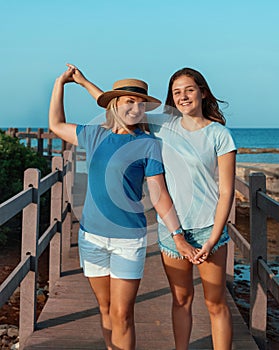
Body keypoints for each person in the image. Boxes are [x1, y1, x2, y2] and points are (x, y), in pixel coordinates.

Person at [66, 64, 236, 349]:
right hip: (173, 231)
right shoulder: (164, 125)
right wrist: (84, 82)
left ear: (202, 92)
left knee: (215, 303)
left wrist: (215, 237)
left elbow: (227, 190)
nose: (183, 97)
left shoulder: (219, 134)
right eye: (177, 92)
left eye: (189, 90)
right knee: (181, 300)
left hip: (209, 228)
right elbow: (119, 104)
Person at [48, 65, 195, 350]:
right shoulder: (94, 136)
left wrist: (178, 236)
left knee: (122, 314)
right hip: (91, 238)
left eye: (141, 103)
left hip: (129, 239)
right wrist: (62, 83)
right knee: (105, 311)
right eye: (129, 101)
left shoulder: (149, 144)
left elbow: (159, 194)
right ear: (115, 104)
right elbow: (55, 124)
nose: (136, 108)